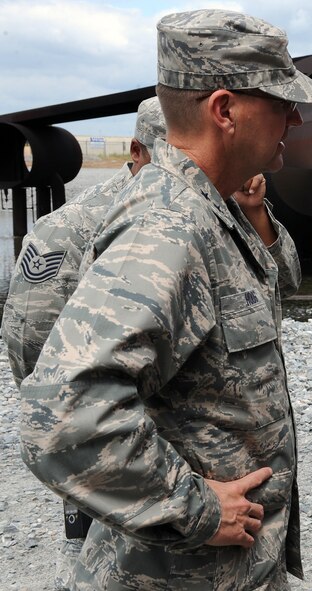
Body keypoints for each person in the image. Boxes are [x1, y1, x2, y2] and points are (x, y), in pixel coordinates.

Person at [18, 9, 312, 590]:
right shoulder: (169, 228)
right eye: (282, 99)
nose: (297, 117)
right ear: (225, 110)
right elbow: (60, 413)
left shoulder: (214, 209)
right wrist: (197, 510)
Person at [2, 97, 167, 589]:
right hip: (109, 449)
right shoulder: (69, 230)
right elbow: (29, 347)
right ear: (138, 152)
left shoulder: (201, 215)